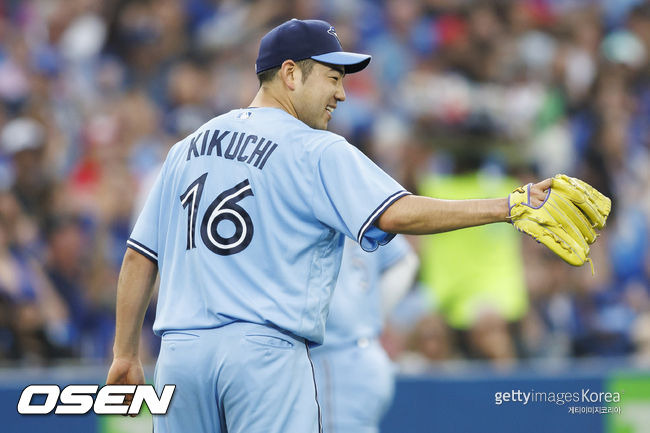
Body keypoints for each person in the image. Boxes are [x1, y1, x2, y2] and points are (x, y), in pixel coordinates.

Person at [106, 19, 550, 433]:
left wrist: (125, 352)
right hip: (265, 357)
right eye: (333, 78)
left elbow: (139, 254)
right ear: (290, 74)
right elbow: (399, 212)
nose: (341, 95)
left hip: (181, 357)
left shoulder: (187, 147)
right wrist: (507, 206)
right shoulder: (314, 148)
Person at [310, 235, 418, 433]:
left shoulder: (316, 206)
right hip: (363, 354)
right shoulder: (357, 206)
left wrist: (370, 316)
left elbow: (406, 261)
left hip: (338, 362)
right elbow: (406, 261)